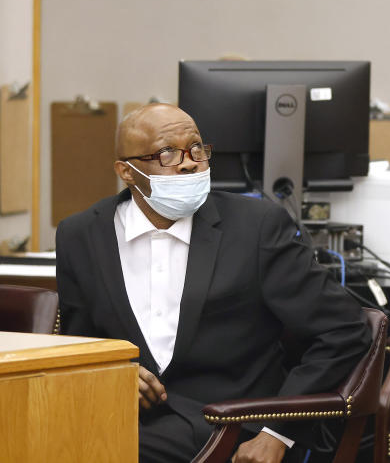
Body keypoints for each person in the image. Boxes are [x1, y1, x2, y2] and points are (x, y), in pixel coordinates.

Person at [56, 103, 371, 463]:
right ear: (126, 172)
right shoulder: (80, 234)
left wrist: (278, 432)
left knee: (90, 450)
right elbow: (78, 346)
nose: (189, 161)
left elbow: (344, 330)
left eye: (196, 149)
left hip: (227, 422)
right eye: (167, 153)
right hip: (121, 413)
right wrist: (111, 375)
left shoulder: (257, 227)